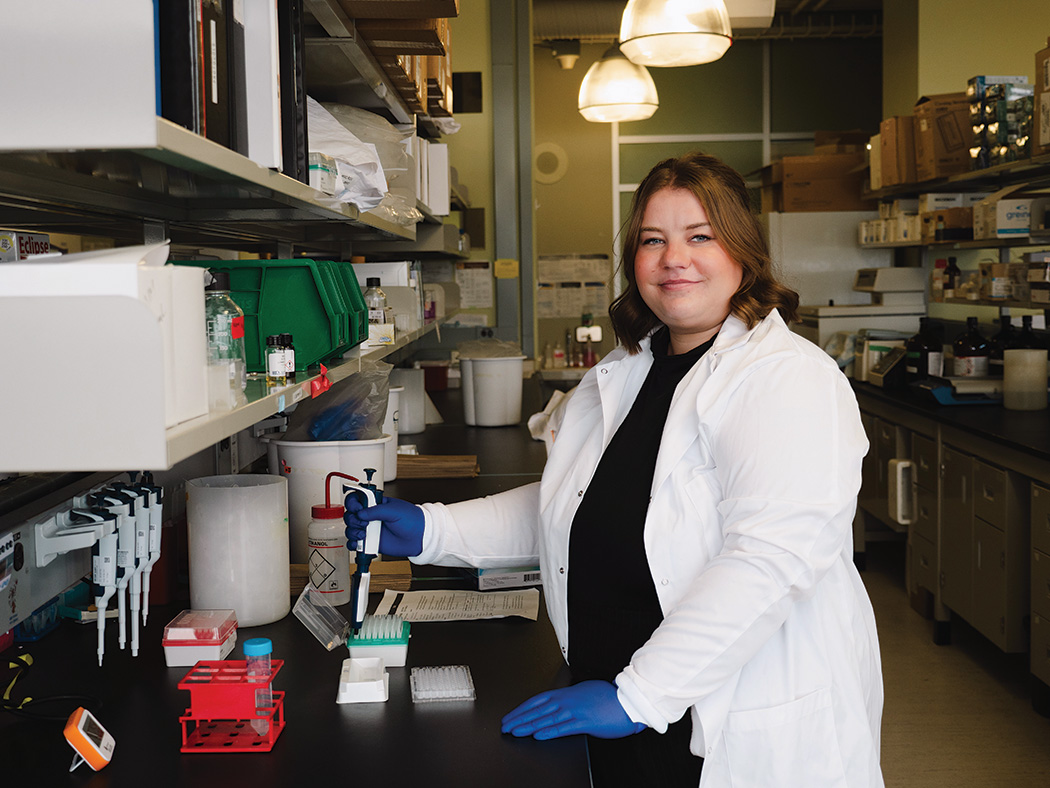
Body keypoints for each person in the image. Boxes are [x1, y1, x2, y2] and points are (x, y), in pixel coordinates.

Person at [345, 152, 884, 787]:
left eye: (700, 237)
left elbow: (768, 561)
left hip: (718, 719)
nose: (674, 258)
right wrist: (433, 530)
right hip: (614, 700)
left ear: (744, 251)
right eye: (653, 240)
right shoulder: (629, 371)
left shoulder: (787, 379)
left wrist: (638, 696)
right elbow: (580, 504)